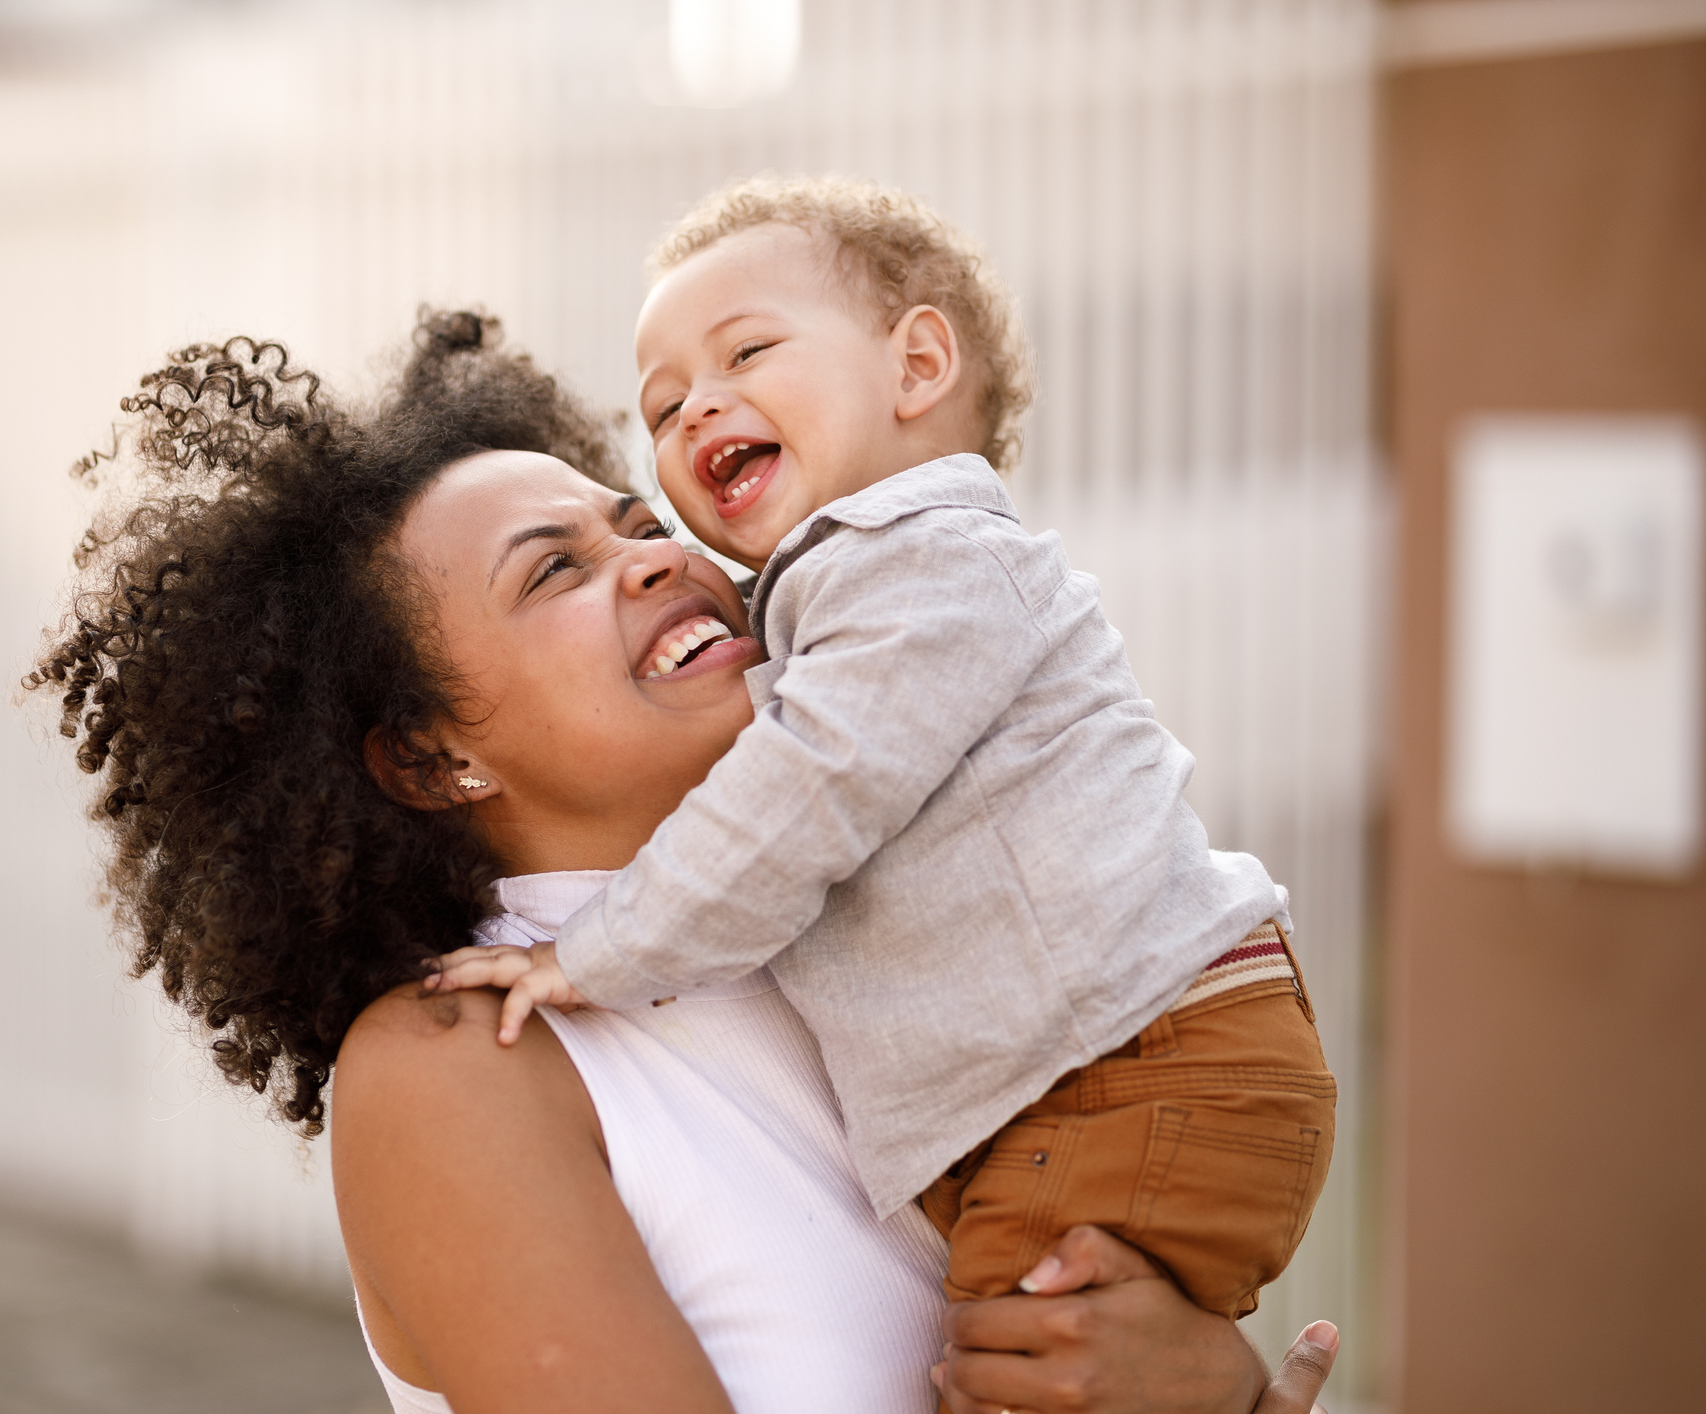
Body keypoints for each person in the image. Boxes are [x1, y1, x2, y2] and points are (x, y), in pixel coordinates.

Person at [29, 310, 1340, 1413]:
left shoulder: (876, 915)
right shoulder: (459, 1066)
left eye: (635, 523)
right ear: (431, 760)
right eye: (554, 572)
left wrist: (1216, 1390)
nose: (657, 557)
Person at [430, 176, 1336, 1323]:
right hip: (1102, 1070)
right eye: (662, 410)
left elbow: (811, 789)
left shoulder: (926, 566)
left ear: (916, 367)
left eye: (746, 351)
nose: (697, 409)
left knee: (1013, 1373)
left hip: (1128, 1063)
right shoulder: (846, 596)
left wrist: (599, 952)